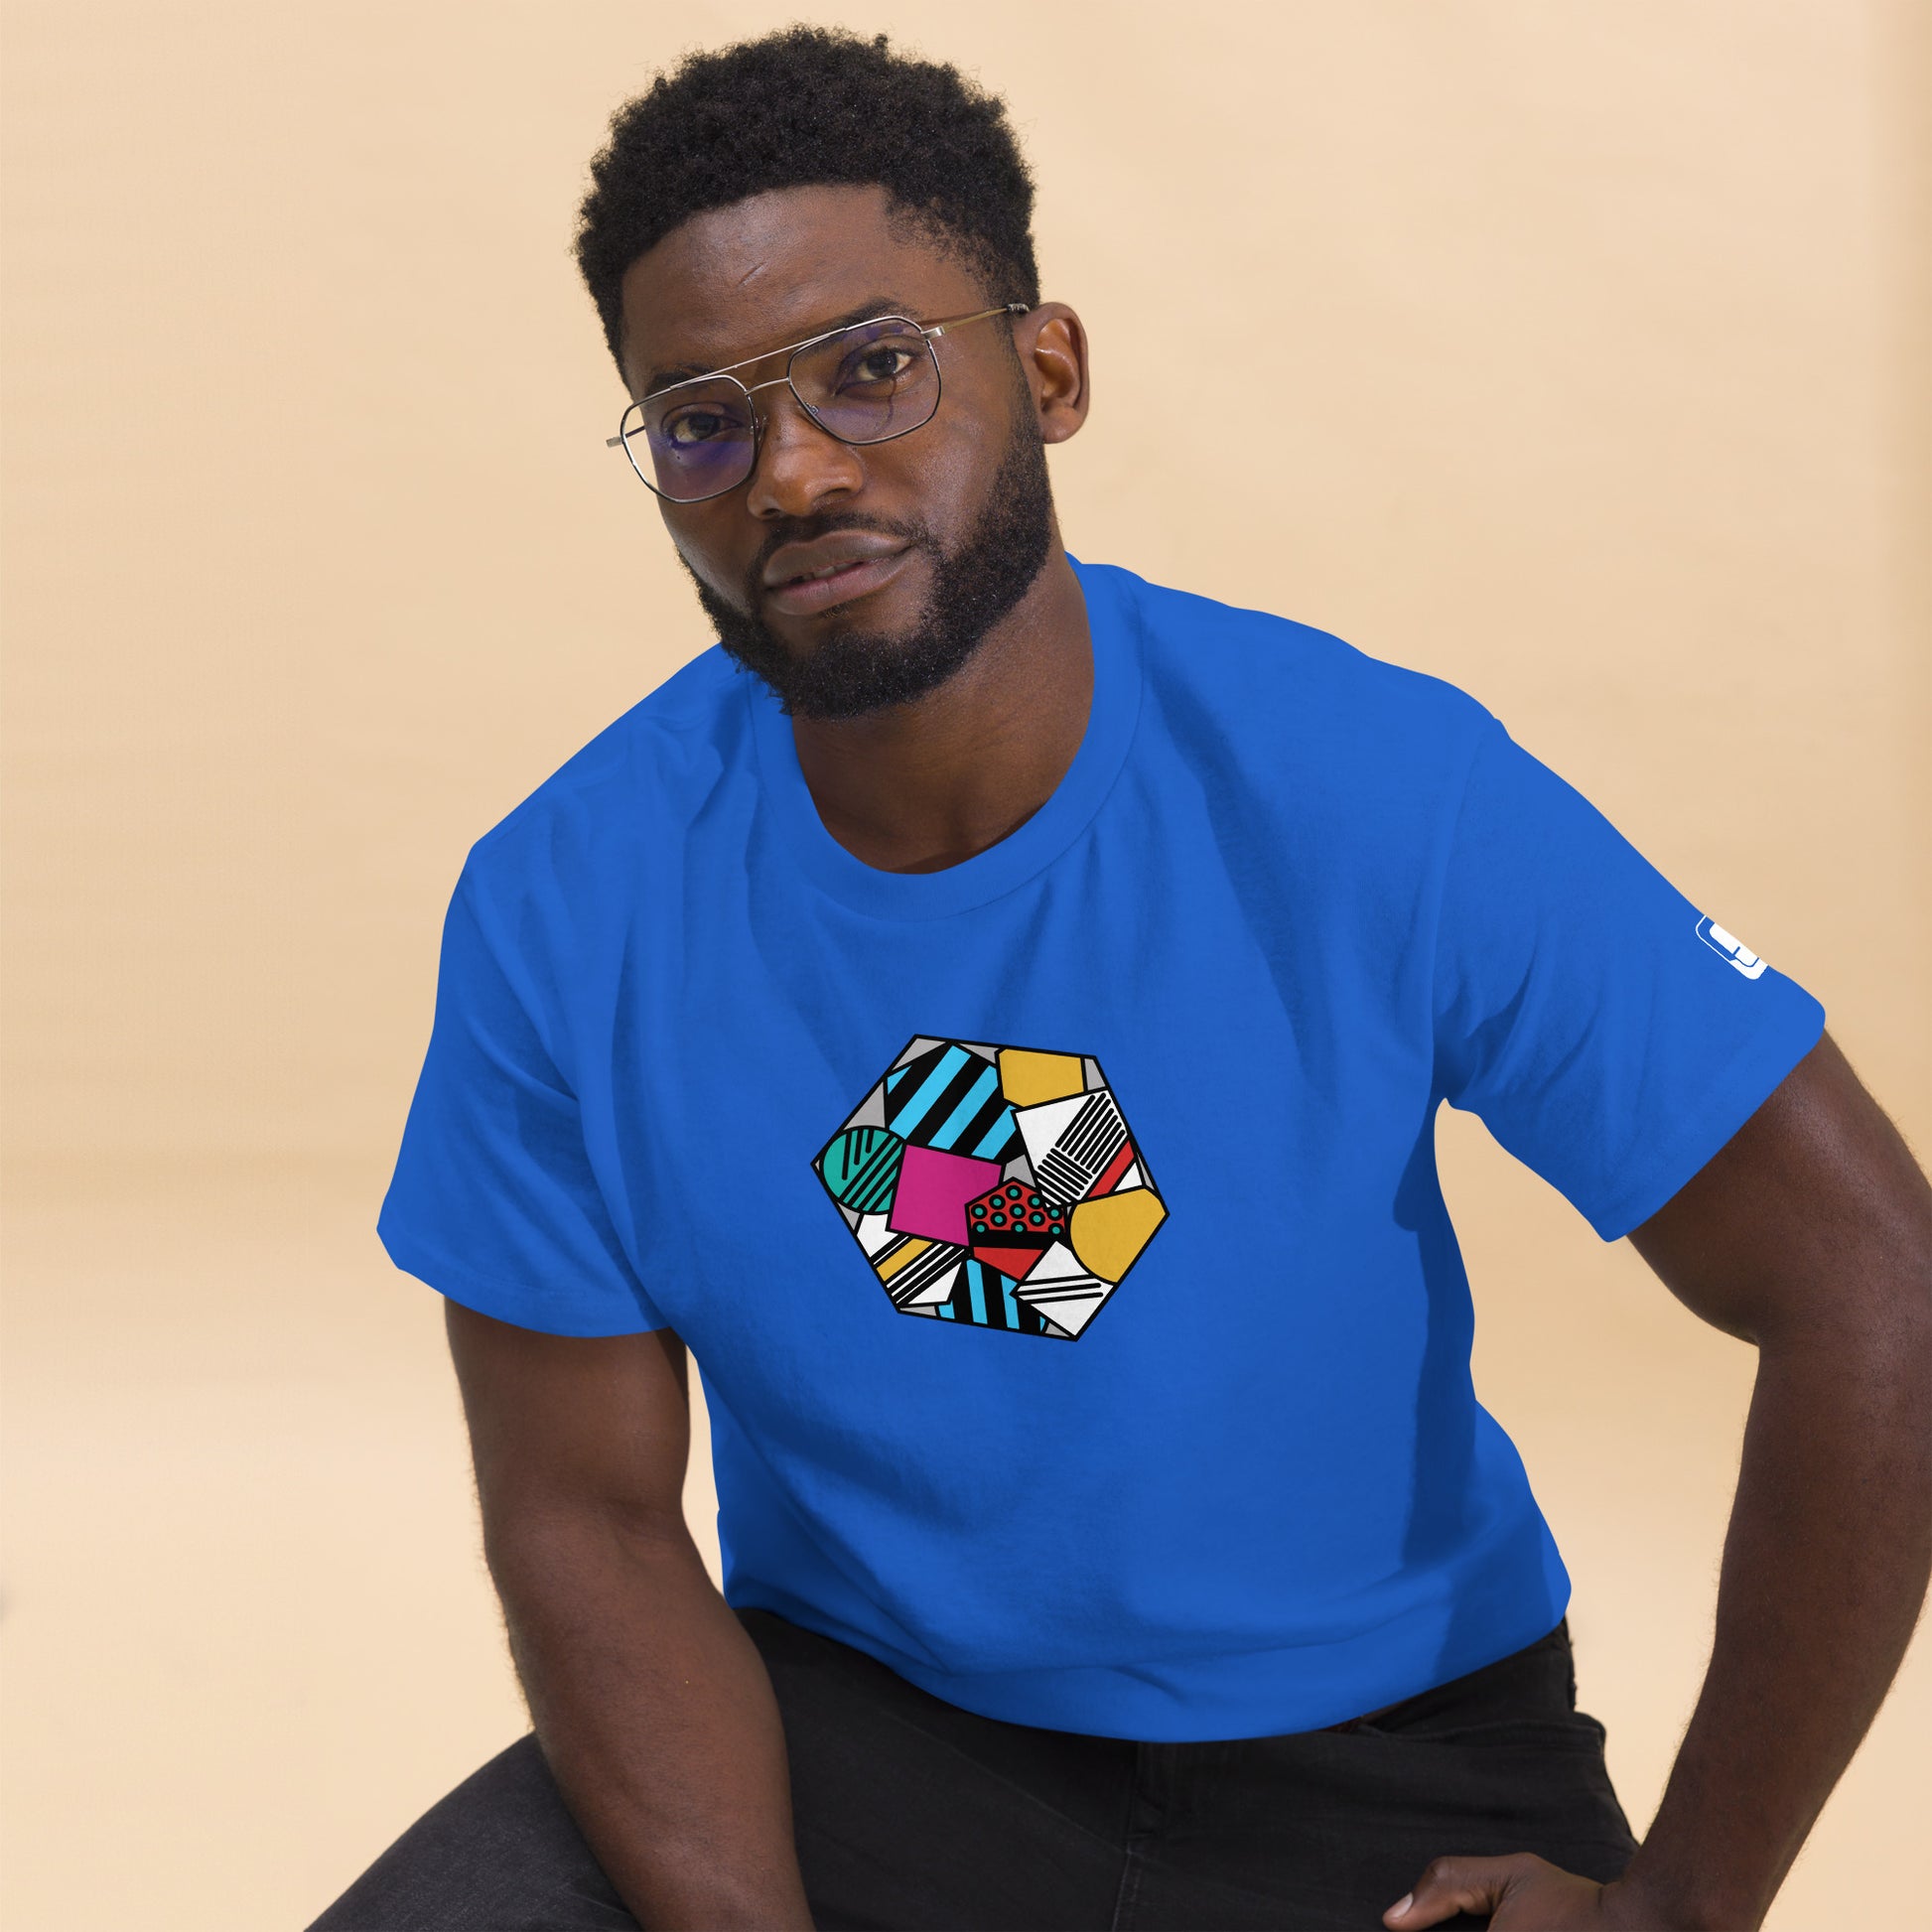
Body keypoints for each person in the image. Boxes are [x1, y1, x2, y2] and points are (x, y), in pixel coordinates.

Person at [309, 26, 1932, 1932]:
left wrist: (1683, 1906)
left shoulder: (1370, 787)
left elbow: (1873, 1284)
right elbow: (580, 1509)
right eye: (700, 422)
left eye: (872, 368)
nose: (795, 471)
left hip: (1385, 1770)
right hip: (861, 1735)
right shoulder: (561, 901)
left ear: (1048, 369)